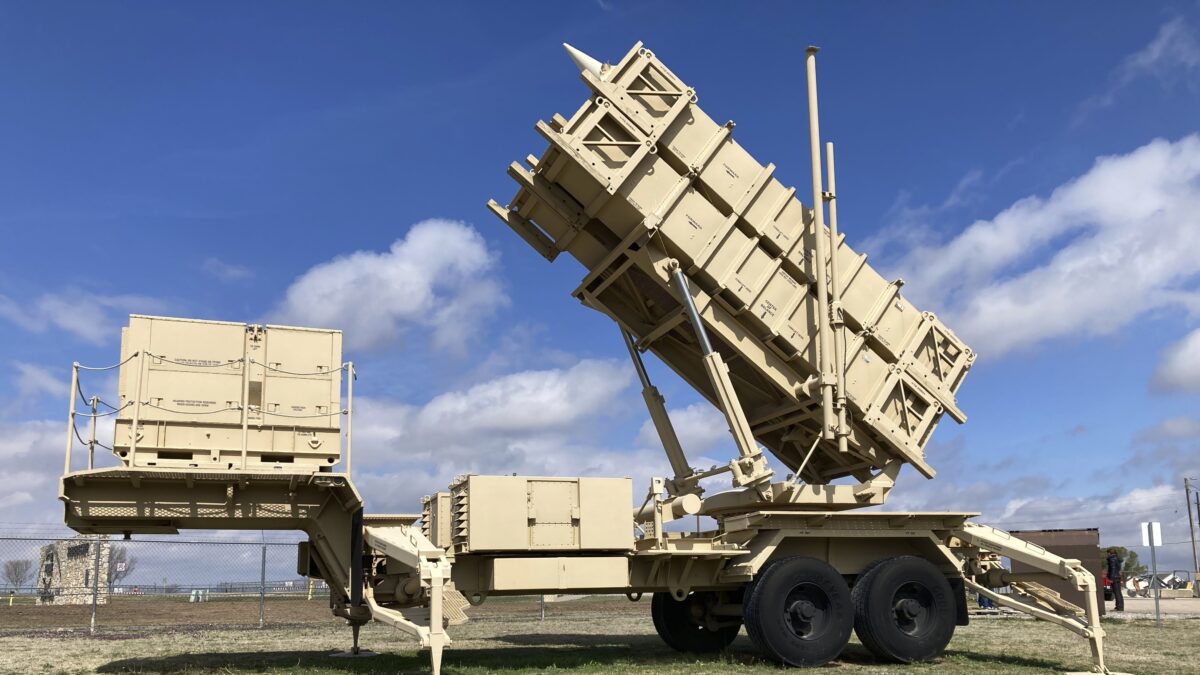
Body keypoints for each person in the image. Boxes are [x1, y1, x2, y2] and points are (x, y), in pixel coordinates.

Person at [1105, 547, 1124, 612]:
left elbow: (1112, 569)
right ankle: (1120, 607)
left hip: (1114, 578)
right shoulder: (1117, 559)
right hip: (1118, 577)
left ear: (1109, 553)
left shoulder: (1112, 559)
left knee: (1116, 593)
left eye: (1107, 553)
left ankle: (1118, 607)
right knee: (1118, 592)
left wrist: (1111, 578)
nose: (1107, 555)